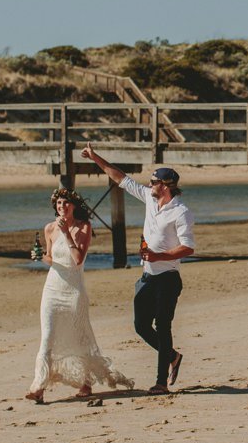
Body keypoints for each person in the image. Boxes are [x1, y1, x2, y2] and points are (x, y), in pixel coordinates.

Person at [80, 146, 195, 394]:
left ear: (165, 185)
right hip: (147, 278)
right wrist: (94, 156)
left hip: (168, 278)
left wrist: (159, 255)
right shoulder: (149, 199)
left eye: (153, 181)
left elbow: (188, 248)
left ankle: (161, 382)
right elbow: (119, 177)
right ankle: (173, 357)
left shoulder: (181, 211)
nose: (149, 183)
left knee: (164, 327)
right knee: (141, 326)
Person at [25, 188, 133, 404]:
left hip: (74, 291)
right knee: (47, 337)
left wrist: (66, 233)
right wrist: (39, 257)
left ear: (73, 206)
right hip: (52, 289)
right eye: (59, 204)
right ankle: (39, 386)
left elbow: (77, 260)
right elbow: (50, 258)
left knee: (79, 337)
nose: (62, 207)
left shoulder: (84, 227)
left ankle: (85, 382)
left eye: (66, 203)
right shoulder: (49, 228)